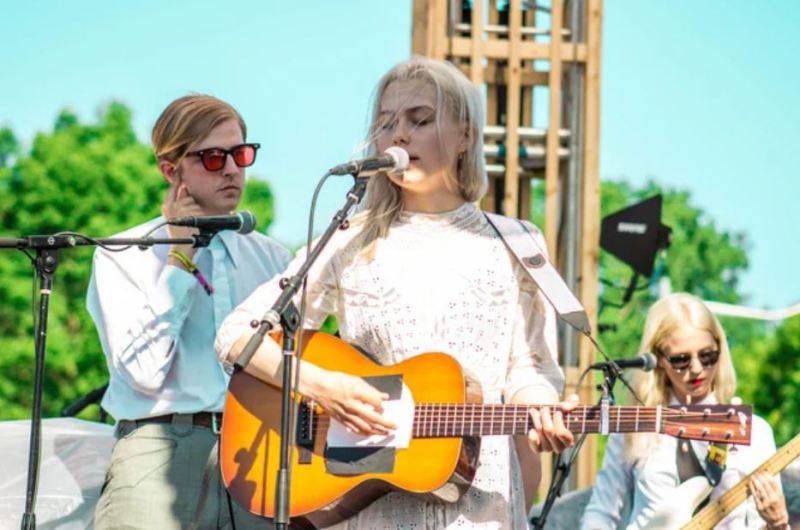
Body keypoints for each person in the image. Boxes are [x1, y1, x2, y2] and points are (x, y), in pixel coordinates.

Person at [215, 56, 577, 529]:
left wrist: (539, 407)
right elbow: (236, 335)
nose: (399, 135)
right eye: (386, 123)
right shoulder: (350, 238)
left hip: (479, 502)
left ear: (466, 135)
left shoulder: (517, 242)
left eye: (419, 119)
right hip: (369, 505)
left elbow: (530, 367)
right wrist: (324, 386)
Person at [87, 94, 291, 529]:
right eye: (214, 158)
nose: (234, 168)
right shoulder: (122, 255)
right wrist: (180, 258)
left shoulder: (274, 259)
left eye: (241, 153)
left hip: (259, 453)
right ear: (170, 170)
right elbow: (142, 372)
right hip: (159, 450)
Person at [580, 293, 789, 530]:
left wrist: (779, 523)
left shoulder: (754, 430)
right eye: (681, 360)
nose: (697, 368)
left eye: (707, 355)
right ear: (658, 359)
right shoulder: (637, 424)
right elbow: (601, 512)